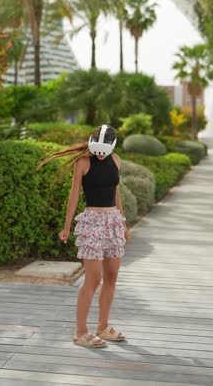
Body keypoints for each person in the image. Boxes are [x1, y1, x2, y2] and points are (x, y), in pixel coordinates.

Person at [38, 124, 130, 348]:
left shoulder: (116, 160)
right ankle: (80, 332)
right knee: (93, 278)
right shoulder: (83, 162)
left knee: (111, 277)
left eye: (103, 150)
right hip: (92, 223)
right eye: (96, 149)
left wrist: (123, 221)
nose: (99, 154)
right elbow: (73, 195)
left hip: (113, 223)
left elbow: (115, 192)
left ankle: (103, 326)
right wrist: (67, 227)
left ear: (111, 146)